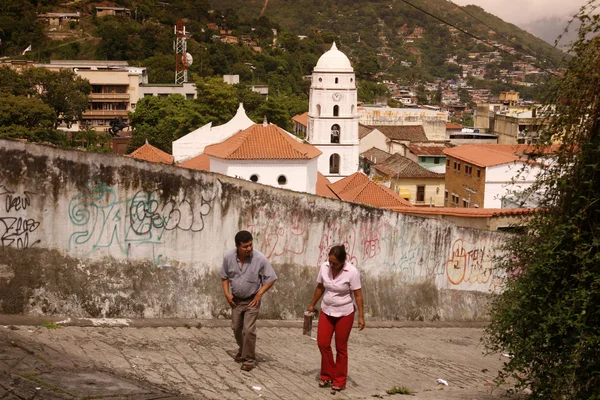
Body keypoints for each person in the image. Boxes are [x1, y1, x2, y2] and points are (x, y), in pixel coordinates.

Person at [306, 245, 365, 391]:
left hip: (345, 312)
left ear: (343, 261)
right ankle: (326, 375)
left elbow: (358, 295)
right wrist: (312, 304)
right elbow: (320, 287)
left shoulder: (352, 272)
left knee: (341, 348)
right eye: (330, 262)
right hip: (327, 310)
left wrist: (361, 316)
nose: (332, 265)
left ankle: (339, 380)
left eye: (335, 263)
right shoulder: (324, 267)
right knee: (322, 343)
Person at [221, 230, 277, 371]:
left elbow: (271, 278)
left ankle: (249, 359)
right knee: (236, 327)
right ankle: (243, 349)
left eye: (250, 245)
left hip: (252, 300)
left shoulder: (260, 258)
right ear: (237, 246)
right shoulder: (228, 257)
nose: (249, 249)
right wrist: (227, 294)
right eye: (245, 246)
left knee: (248, 330)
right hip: (236, 301)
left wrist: (260, 294)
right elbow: (224, 277)